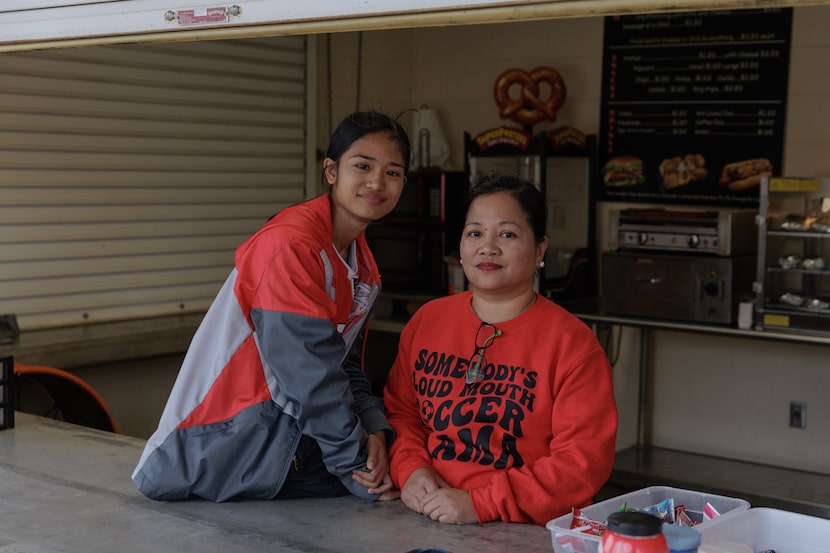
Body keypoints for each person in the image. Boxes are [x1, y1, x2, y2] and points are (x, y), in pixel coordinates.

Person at [133, 111, 411, 502]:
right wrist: (354, 464)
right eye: (362, 165)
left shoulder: (362, 267)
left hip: (287, 440)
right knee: (398, 493)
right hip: (217, 447)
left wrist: (374, 428)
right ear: (331, 171)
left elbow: (344, 365)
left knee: (409, 466)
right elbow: (308, 373)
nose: (377, 182)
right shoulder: (290, 245)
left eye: (393, 172)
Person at [383, 174, 618, 526]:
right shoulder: (427, 320)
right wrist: (410, 469)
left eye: (507, 234)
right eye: (475, 233)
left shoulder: (573, 344)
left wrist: (482, 503)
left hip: (525, 531)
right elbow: (402, 413)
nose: (487, 247)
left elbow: (581, 462)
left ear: (540, 249)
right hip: (426, 515)